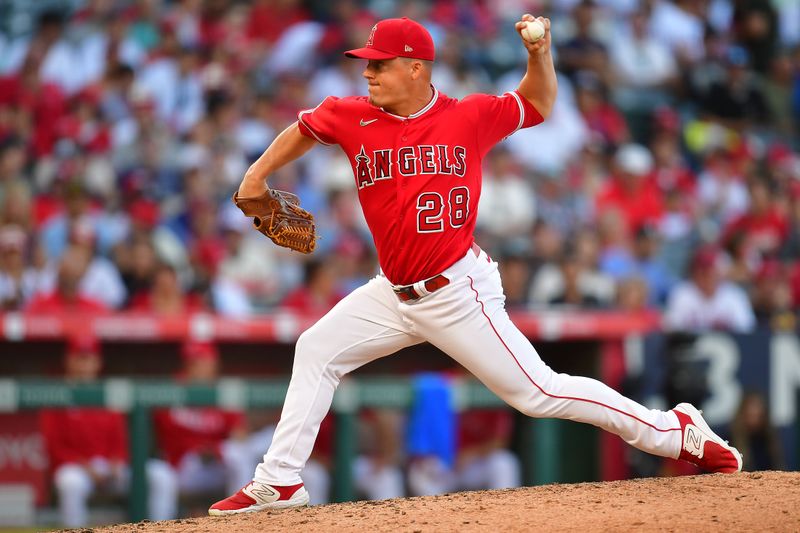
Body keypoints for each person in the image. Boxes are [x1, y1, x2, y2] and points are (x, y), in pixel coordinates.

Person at [209, 15, 742, 516]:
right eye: (365, 63)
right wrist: (255, 177)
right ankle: (280, 478)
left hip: (457, 290)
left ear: (415, 67)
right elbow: (304, 127)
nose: (367, 71)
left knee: (540, 393)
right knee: (316, 348)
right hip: (393, 292)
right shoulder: (353, 115)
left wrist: (540, 52)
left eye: (379, 63)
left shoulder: (468, 115)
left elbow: (538, 102)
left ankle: (675, 432)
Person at [39, 334, 175, 527]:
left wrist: (116, 462)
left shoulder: (107, 392)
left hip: (110, 469)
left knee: (161, 474)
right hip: (79, 470)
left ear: (98, 362)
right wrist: (85, 466)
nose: (84, 365)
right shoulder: (59, 394)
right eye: (80, 358)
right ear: (68, 361)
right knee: (70, 483)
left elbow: (121, 440)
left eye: (89, 359)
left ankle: (162, 530)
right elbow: (54, 447)